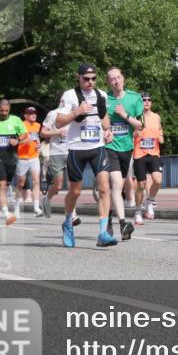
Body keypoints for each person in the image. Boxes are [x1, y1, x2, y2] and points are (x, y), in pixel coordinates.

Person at [56, 63, 116, 248]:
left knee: (105, 188)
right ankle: (67, 223)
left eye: (93, 79)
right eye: (86, 79)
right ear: (78, 77)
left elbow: (103, 115)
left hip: (97, 147)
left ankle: (103, 232)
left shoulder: (101, 95)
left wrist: (108, 130)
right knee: (75, 191)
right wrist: (77, 112)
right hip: (76, 149)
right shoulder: (70, 95)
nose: (90, 82)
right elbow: (58, 122)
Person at [103, 67, 143, 237]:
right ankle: (123, 224)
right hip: (110, 147)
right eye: (112, 79)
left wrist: (124, 115)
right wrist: (106, 130)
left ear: (123, 78)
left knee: (118, 188)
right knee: (117, 184)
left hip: (127, 148)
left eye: (118, 77)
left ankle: (110, 217)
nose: (116, 81)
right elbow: (99, 121)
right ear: (108, 82)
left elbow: (140, 125)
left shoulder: (134, 98)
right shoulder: (105, 99)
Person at [133, 93, 164, 221]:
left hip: (154, 153)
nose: (146, 102)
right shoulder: (136, 117)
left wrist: (161, 137)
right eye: (144, 100)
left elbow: (160, 131)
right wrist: (137, 132)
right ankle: (138, 211)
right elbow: (132, 134)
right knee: (140, 185)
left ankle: (149, 201)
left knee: (158, 180)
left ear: (151, 102)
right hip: (140, 153)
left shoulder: (157, 117)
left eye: (149, 99)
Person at [40, 103, 69, 220]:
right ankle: (46, 199)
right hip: (57, 152)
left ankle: (72, 215)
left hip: (73, 151)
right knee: (58, 185)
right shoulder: (52, 114)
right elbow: (43, 133)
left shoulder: (75, 114)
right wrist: (57, 132)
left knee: (74, 186)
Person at [16, 107, 43, 216]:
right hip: (23, 157)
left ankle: (36, 208)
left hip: (34, 157)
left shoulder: (37, 125)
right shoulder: (21, 125)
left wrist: (39, 146)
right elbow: (17, 141)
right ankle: (17, 206)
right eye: (30, 113)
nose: (33, 115)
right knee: (21, 183)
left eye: (35, 113)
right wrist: (26, 141)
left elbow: (37, 139)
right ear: (25, 115)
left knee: (36, 180)